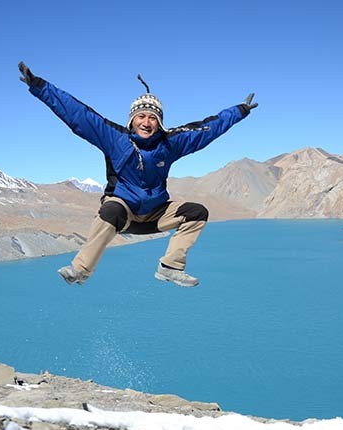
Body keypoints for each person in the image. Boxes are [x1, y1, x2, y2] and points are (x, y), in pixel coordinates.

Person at [18, 61, 257, 287]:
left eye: (153, 117)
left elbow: (206, 129)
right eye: (141, 116)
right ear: (132, 120)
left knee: (197, 212)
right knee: (111, 208)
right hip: (124, 214)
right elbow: (77, 114)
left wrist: (239, 111)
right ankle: (80, 270)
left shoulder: (170, 143)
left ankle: (170, 267)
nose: (146, 122)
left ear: (160, 122)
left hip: (155, 215)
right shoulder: (114, 139)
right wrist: (39, 86)